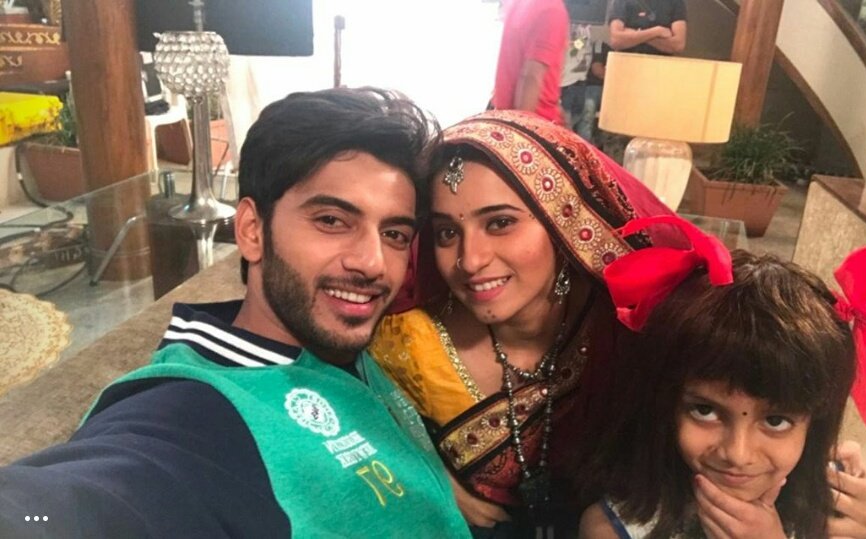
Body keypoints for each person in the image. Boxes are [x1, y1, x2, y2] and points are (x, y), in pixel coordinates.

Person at [0, 88, 471, 538]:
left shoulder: (342, 337)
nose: (372, 263)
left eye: (394, 234)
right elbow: (72, 506)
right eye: (331, 221)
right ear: (251, 230)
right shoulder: (194, 417)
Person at [370, 109, 688, 537]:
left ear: (564, 222)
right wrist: (432, 477)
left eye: (500, 223)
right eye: (447, 233)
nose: (470, 260)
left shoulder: (626, 325)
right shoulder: (410, 344)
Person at [574, 226, 866, 539]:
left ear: (815, 422)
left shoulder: (833, 516)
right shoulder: (614, 529)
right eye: (705, 411)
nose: (737, 453)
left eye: (776, 420)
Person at [491, 0, 570, 123]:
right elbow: (531, 76)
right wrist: (521, 128)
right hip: (537, 121)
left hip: (504, 117)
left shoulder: (518, 4)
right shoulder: (552, 9)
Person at [607, 0, 687, 56]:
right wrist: (657, 31)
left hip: (660, 68)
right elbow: (616, 40)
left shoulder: (676, 2)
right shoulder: (620, 1)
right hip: (627, 67)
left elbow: (678, 45)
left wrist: (635, 34)